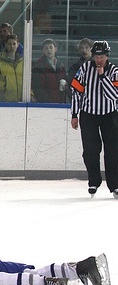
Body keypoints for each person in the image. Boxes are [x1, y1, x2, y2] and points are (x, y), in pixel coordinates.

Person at [70, 40, 118, 198]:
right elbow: (77, 92)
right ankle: (93, 181)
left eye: (102, 57)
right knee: (90, 151)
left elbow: (113, 96)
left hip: (110, 115)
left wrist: (103, 76)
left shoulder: (114, 71)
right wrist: (75, 114)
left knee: (112, 151)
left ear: (107, 56)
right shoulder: (85, 68)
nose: (99, 60)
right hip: (89, 114)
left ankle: (115, 185)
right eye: (96, 57)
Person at [0, 34, 27, 102]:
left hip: (20, 102)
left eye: (14, 44)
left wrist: (30, 94)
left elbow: (27, 80)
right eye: (9, 44)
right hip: (2, 102)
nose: (12, 46)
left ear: (18, 45)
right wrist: (3, 86)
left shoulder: (22, 61)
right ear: (6, 44)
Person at [32, 38, 68, 103]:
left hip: (60, 103)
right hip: (47, 104)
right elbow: (38, 89)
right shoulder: (38, 67)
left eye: (51, 47)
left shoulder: (61, 66)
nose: (49, 50)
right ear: (42, 51)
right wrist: (48, 102)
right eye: (46, 48)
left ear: (55, 49)